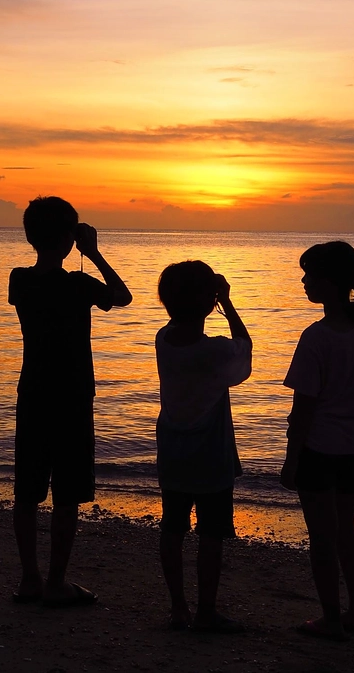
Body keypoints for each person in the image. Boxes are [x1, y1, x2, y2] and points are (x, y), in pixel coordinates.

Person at [8, 196, 132, 606]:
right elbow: (123, 295)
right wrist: (93, 253)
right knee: (67, 494)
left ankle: (30, 579)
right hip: (74, 396)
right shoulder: (79, 285)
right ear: (68, 239)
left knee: (27, 492)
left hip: (34, 394)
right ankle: (56, 582)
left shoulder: (20, 281)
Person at [280, 241, 354, 641]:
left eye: (309, 276)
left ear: (328, 282)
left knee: (322, 538)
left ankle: (332, 619)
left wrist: (291, 460)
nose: (304, 282)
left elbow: (303, 410)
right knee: (346, 532)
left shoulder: (317, 338)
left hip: (319, 449)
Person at [154, 261, 252, 632]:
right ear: (208, 303)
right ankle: (206, 611)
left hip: (173, 450)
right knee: (211, 534)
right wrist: (228, 304)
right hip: (211, 455)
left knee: (172, 528)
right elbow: (244, 353)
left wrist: (213, 299)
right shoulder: (215, 352)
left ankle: (178, 607)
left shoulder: (163, 338)